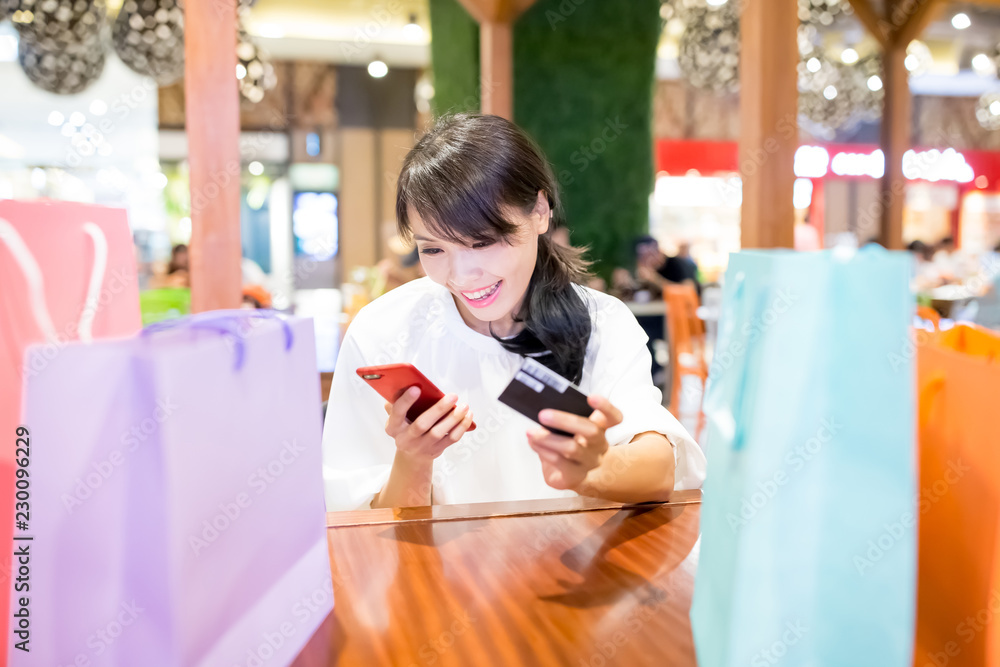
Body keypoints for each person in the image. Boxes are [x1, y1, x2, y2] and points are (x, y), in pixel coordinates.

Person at [322, 114, 705, 511]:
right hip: (438, 572)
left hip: (572, 569)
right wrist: (414, 458)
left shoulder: (602, 323)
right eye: (433, 249)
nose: (462, 275)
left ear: (540, 211)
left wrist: (598, 470)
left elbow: (661, 470)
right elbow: (360, 522)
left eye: (483, 241)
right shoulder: (382, 331)